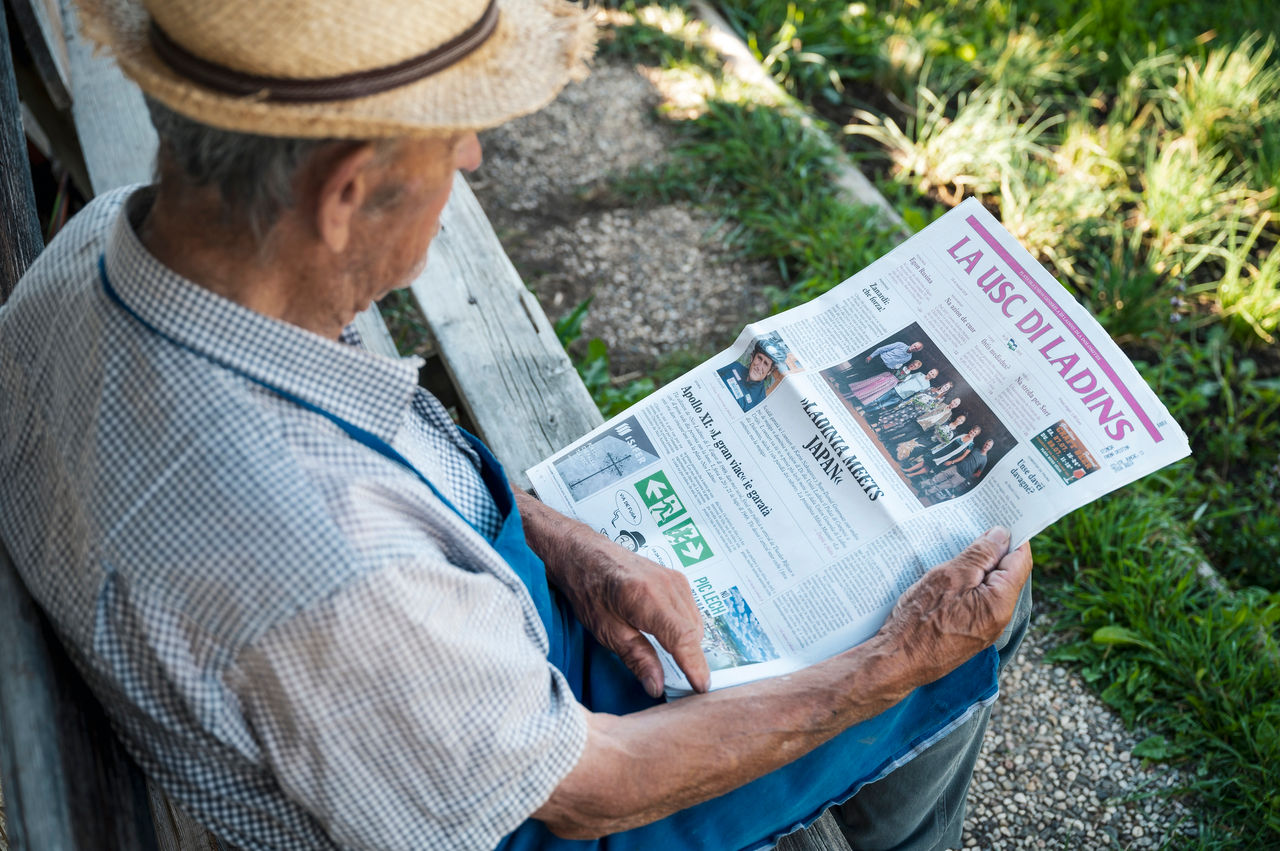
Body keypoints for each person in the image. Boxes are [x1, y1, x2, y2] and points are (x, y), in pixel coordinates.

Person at [0, 1, 1032, 849]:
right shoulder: (332, 568)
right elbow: (592, 790)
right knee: (950, 606)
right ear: (346, 192)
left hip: (434, 691)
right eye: (455, 138)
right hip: (535, 800)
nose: (477, 155)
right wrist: (897, 660)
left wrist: (577, 548)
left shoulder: (104, 247)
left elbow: (381, 513)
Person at [718, 342, 781, 412]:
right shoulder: (735, 367)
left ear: (770, 371)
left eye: (766, 363)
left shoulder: (760, 401)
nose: (759, 367)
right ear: (752, 357)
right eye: (759, 358)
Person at [923, 440, 997, 497]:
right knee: (938, 477)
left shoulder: (984, 460)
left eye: (989, 445)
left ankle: (927, 492)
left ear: (990, 448)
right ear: (984, 444)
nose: (986, 446)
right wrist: (953, 462)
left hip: (962, 477)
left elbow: (978, 474)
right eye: (986, 444)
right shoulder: (976, 449)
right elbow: (964, 456)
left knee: (942, 486)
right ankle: (922, 484)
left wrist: (968, 475)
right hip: (956, 467)